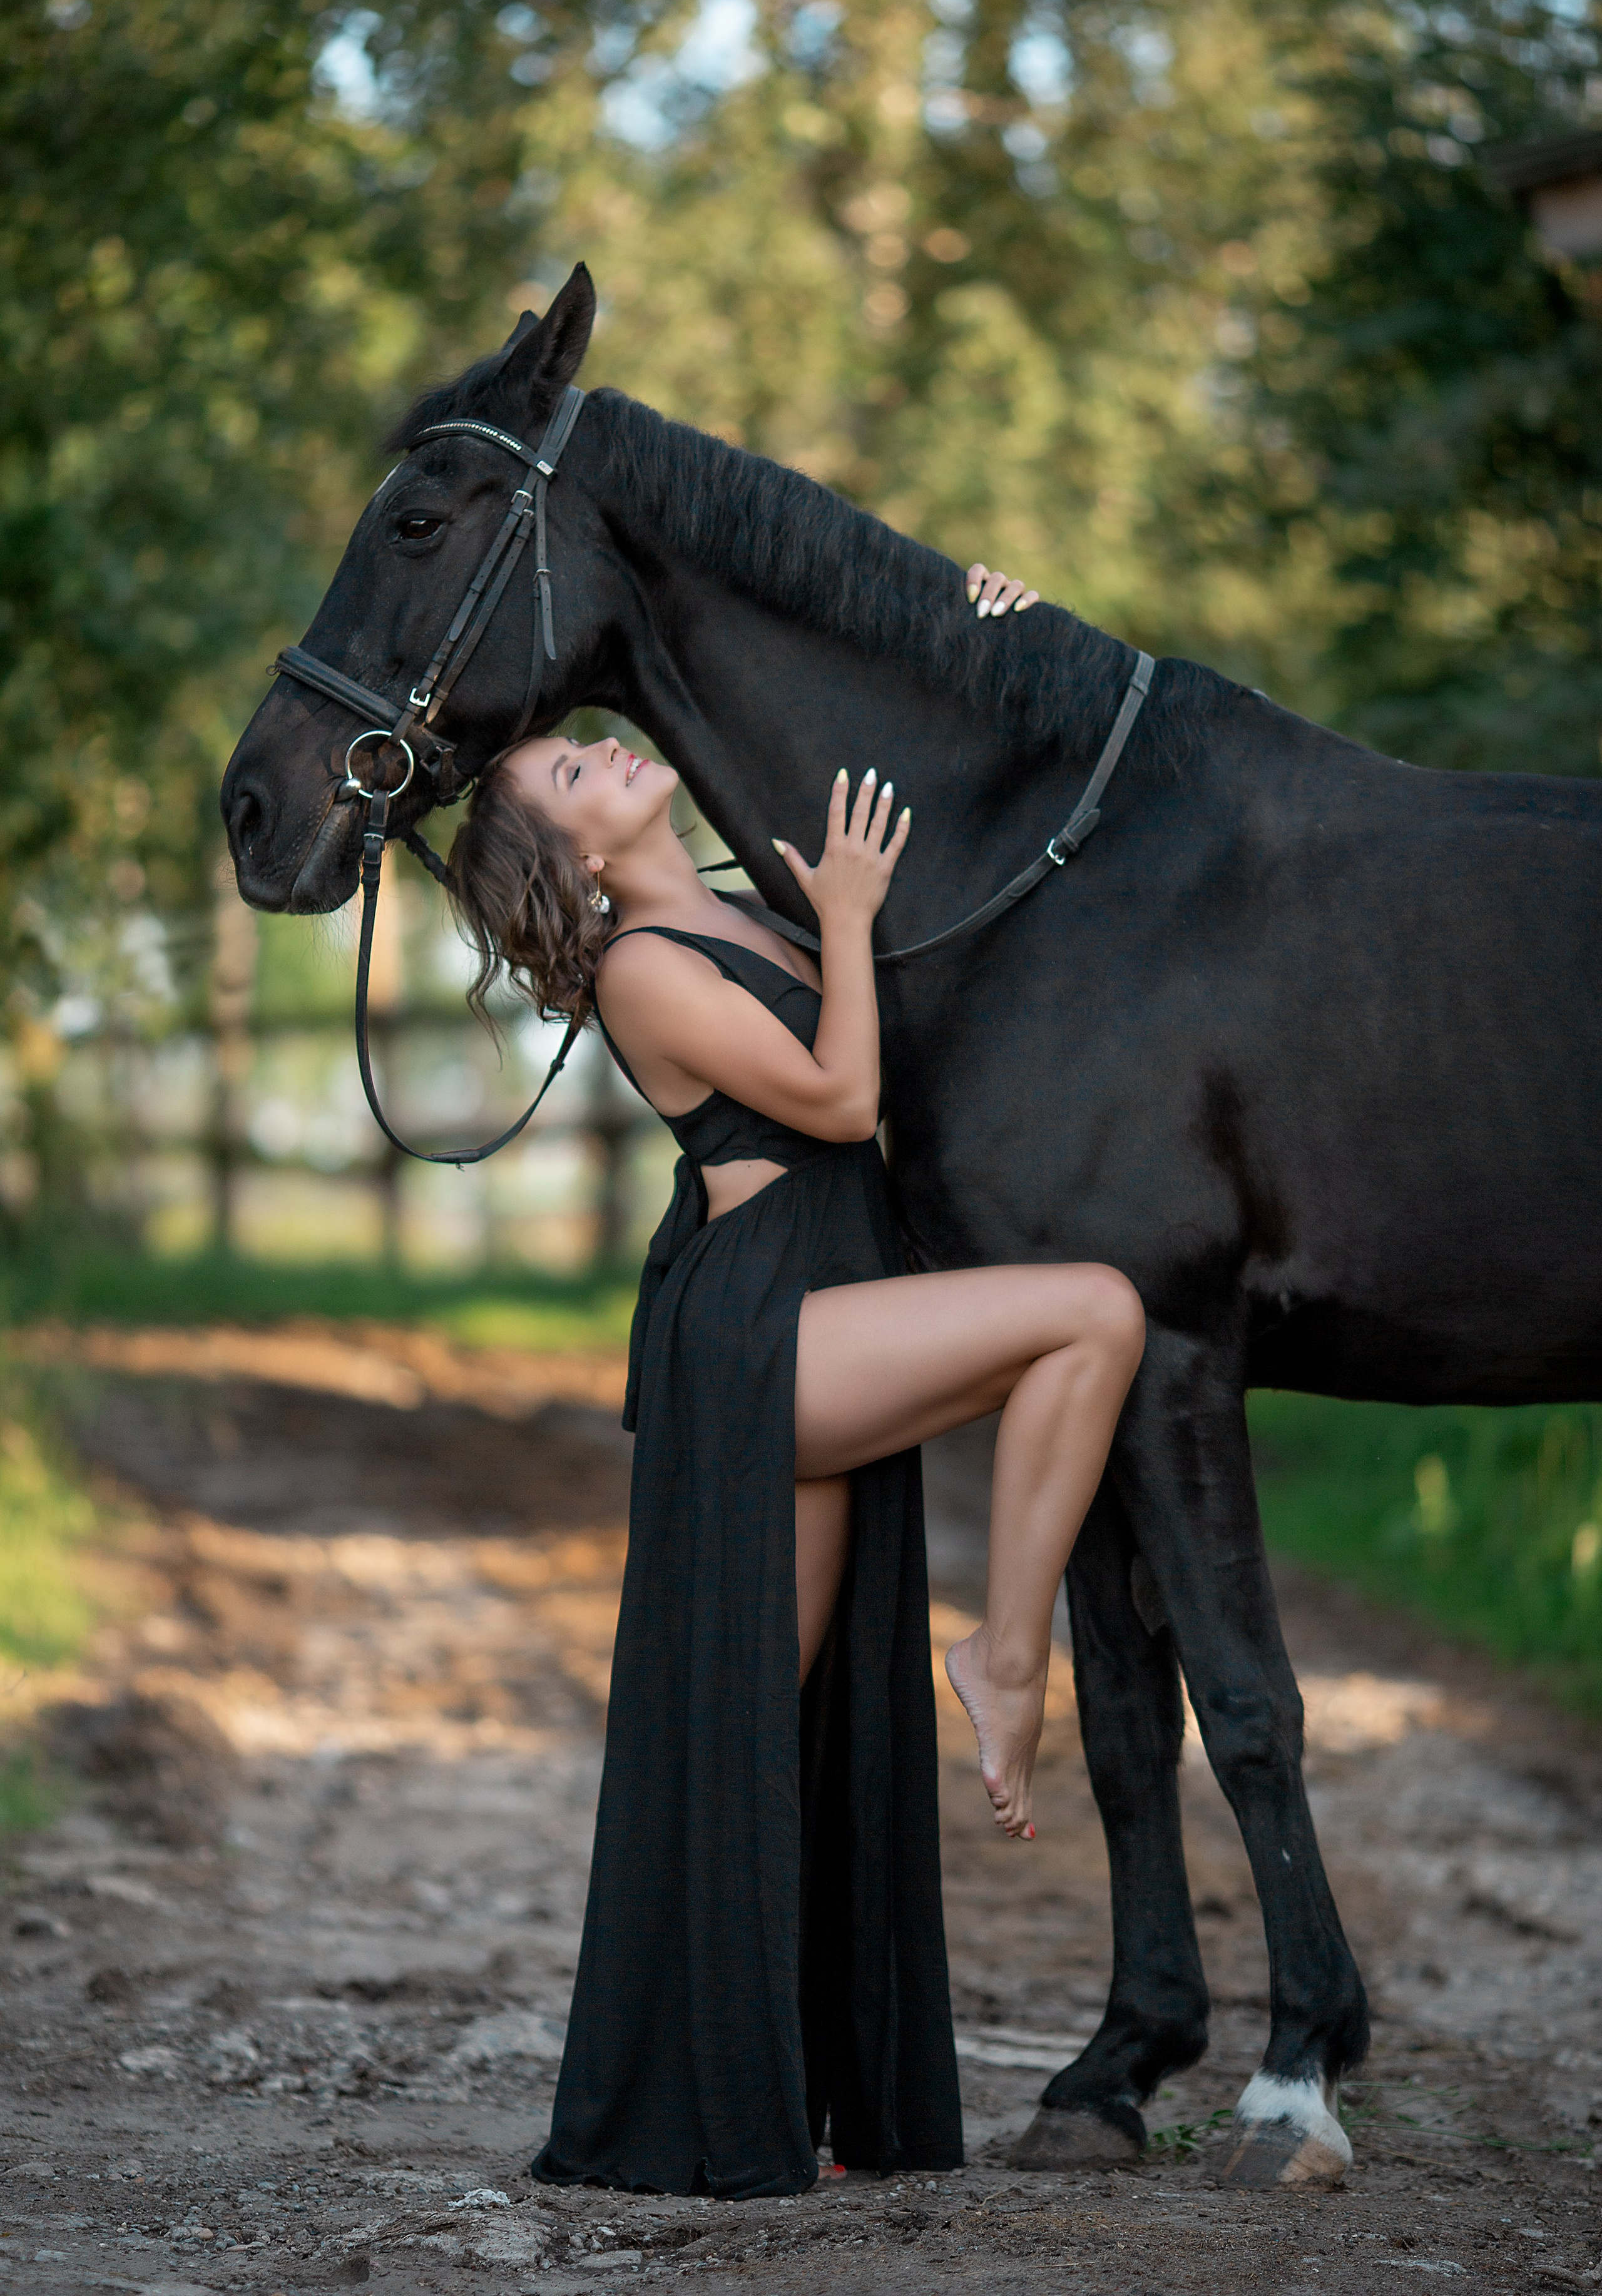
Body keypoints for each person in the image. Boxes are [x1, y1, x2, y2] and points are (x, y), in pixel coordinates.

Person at [446, 564, 1146, 2199]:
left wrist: (988, 632)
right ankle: (1007, 1652)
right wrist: (832, 920)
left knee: (779, 1727)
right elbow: (839, 1100)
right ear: (564, 853)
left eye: (595, 746)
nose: (611, 755)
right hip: (769, 1338)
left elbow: (914, 834)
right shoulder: (638, 968)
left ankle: (748, 2108)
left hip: (820, 1306)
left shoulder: (722, 901)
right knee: (1094, 1315)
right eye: (575, 773)